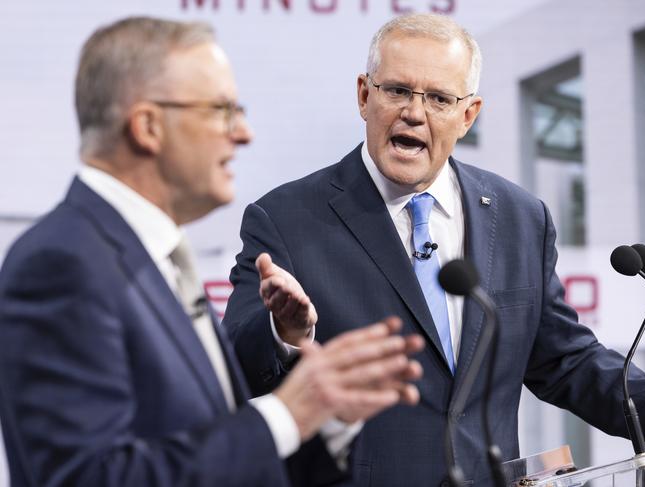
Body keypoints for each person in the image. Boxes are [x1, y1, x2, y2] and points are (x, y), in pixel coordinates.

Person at [223, 12, 645, 486]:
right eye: (398, 91)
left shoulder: (519, 217)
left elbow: (565, 360)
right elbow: (233, 368)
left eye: (439, 99)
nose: (414, 112)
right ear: (365, 95)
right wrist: (283, 332)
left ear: (468, 115)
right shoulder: (286, 218)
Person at [0, 16, 425, 487]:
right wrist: (285, 414)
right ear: (148, 126)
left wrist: (326, 417)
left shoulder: (154, 259)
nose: (243, 133)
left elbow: (220, 453)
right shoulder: (62, 264)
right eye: (222, 110)